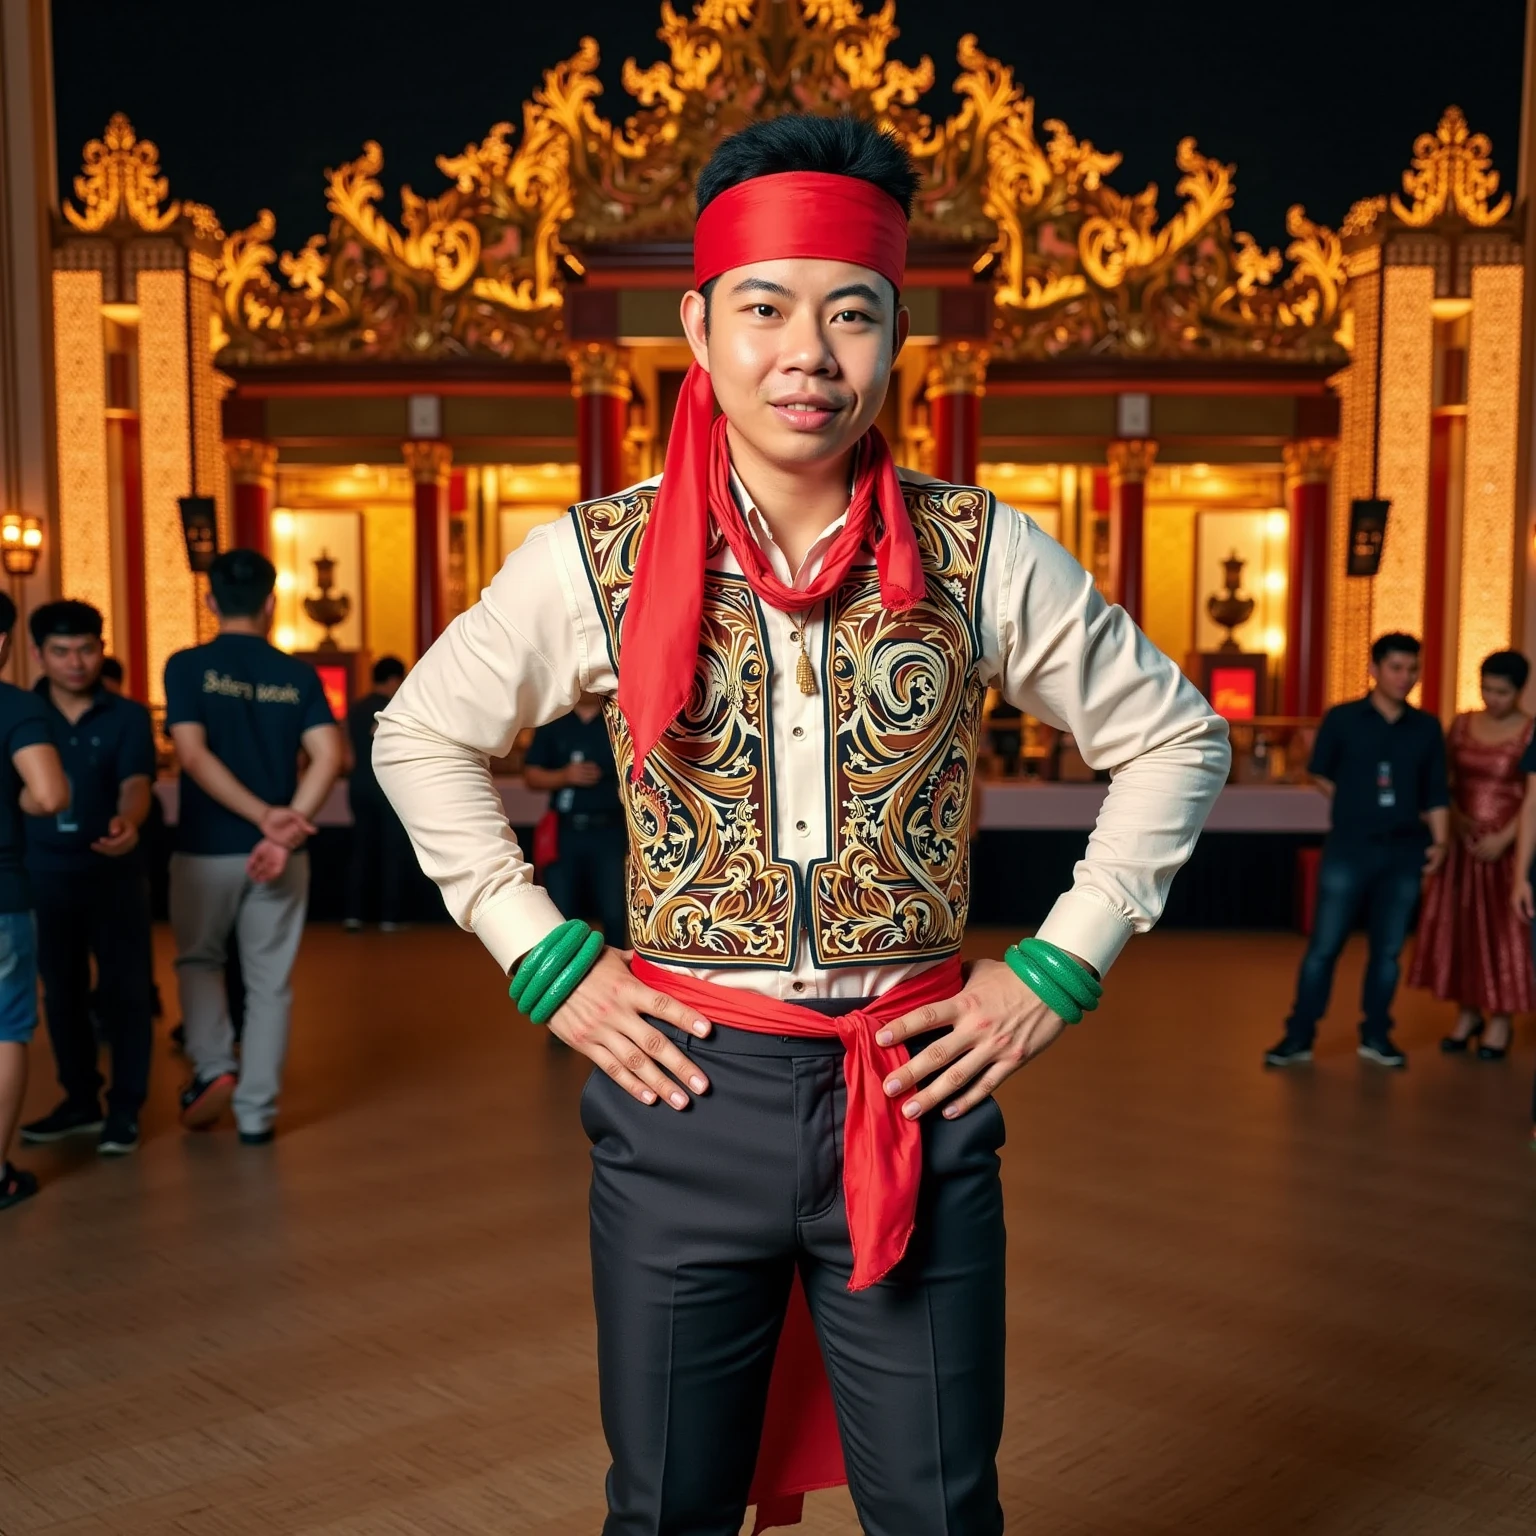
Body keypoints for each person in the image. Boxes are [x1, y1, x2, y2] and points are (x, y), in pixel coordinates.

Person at [375, 115, 1229, 1535]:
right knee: (663, 1508)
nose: (808, 356)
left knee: (944, 1509)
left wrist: (1060, 964)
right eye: (766, 309)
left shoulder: (981, 548)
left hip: (913, 1088)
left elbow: (1174, 736)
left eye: (852, 313)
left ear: (900, 336)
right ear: (700, 326)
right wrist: (543, 953)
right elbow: (419, 735)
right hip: (682, 1095)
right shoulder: (594, 557)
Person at [164, 549, 343, 1144]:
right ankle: (256, 1114)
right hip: (282, 856)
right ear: (271, 603)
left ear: (211, 601)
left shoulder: (186, 667)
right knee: (269, 982)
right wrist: (287, 822)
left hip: (206, 848)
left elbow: (191, 755)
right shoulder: (296, 674)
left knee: (199, 961)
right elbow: (329, 755)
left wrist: (265, 818)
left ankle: (214, 1068)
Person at [1266, 633, 1448, 1071]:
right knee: (1324, 948)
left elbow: (1437, 792)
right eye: (1396, 668)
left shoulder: (1426, 728)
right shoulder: (1343, 719)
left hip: (1405, 852)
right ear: (1375, 669)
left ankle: (1377, 1035)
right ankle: (1298, 1037)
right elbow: (1321, 775)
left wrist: (1440, 843)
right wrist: (1357, 804)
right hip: (1349, 848)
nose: (1406, 677)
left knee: (1387, 952)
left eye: (1412, 669)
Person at [16, 601, 156, 1157]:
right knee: (63, 993)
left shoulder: (127, 716)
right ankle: (79, 1100)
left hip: (114, 873)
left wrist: (131, 819)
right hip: (43, 873)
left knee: (125, 993)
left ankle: (125, 1109)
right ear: (37, 654)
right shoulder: (22, 715)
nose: (76, 662)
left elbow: (138, 782)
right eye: (61, 651)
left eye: (87, 649)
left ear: (102, 648)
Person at [1410, 649, 1532, 1058]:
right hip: (1462, 845)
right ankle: (1467, 1014)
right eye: (1486, 689)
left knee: (1502, 935)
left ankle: (1500, 1020)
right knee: (1460, 929)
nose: (1491, 698)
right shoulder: (1461, 724)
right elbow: (1441, 779)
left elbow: (1534, 797)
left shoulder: (1530, 731)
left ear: (1519, 692)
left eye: (1501, 692)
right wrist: (1456, 818)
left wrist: (1507, 837)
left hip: (1507, 850)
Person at [0, 592, 71, 1209]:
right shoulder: (15, 707)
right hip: (2, 894)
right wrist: (16, 806)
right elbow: (49, 795)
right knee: (5, 1031)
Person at [522, 696, 627, 946]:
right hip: (566, 830)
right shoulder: (553, 720)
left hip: (610, 829)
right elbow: (531, 776)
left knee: (614, 911)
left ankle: (620, 973)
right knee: (561, 910)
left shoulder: (617, 719)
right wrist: (564, 776)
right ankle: (566, 972)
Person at [343, 655, 414, 931]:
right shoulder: (394, 708)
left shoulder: (357, 708)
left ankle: (354, 914)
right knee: (391, 851)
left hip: (358, 785)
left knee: (361, 851)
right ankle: (389, 917)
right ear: (395, 679)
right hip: (388, 788)